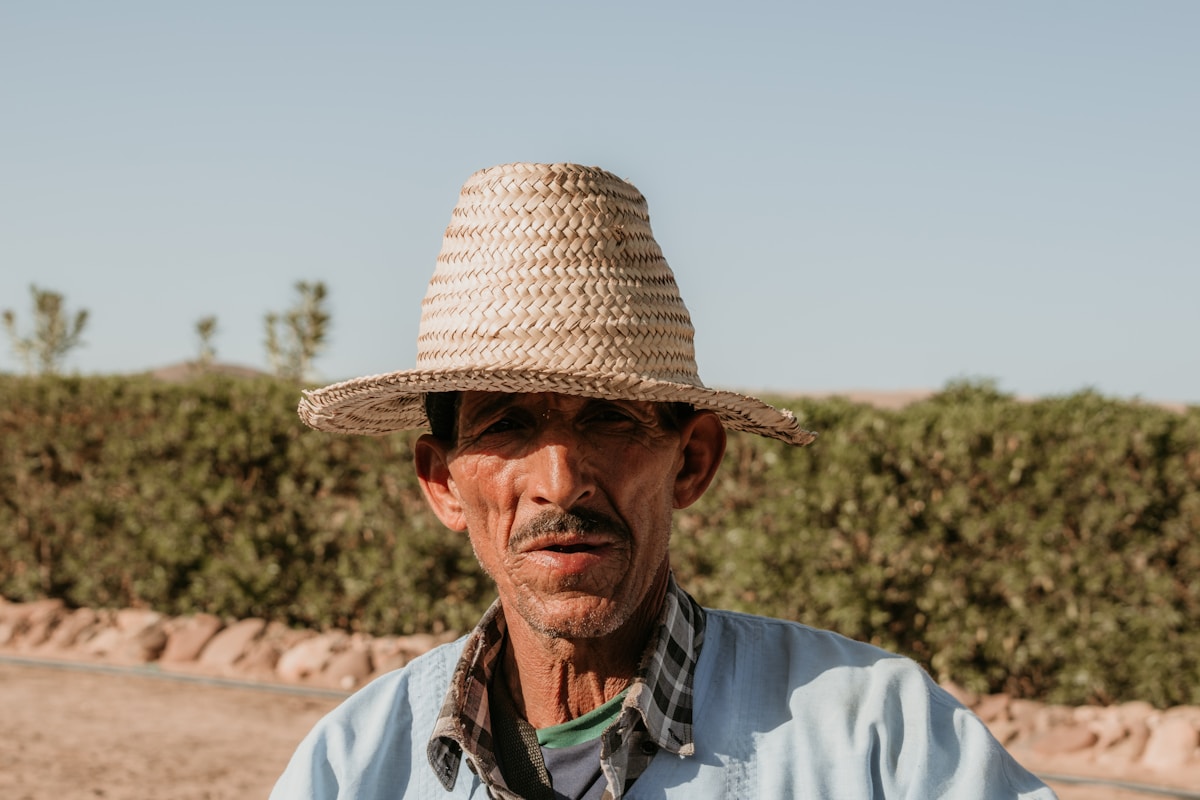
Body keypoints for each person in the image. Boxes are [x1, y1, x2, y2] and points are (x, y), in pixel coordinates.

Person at [272, 162, 1056, 799]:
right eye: (506, 424)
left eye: (609, 419)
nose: (560, 482)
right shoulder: (355, 764)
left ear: (691, 461)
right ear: (442, 482)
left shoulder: (877, 737)